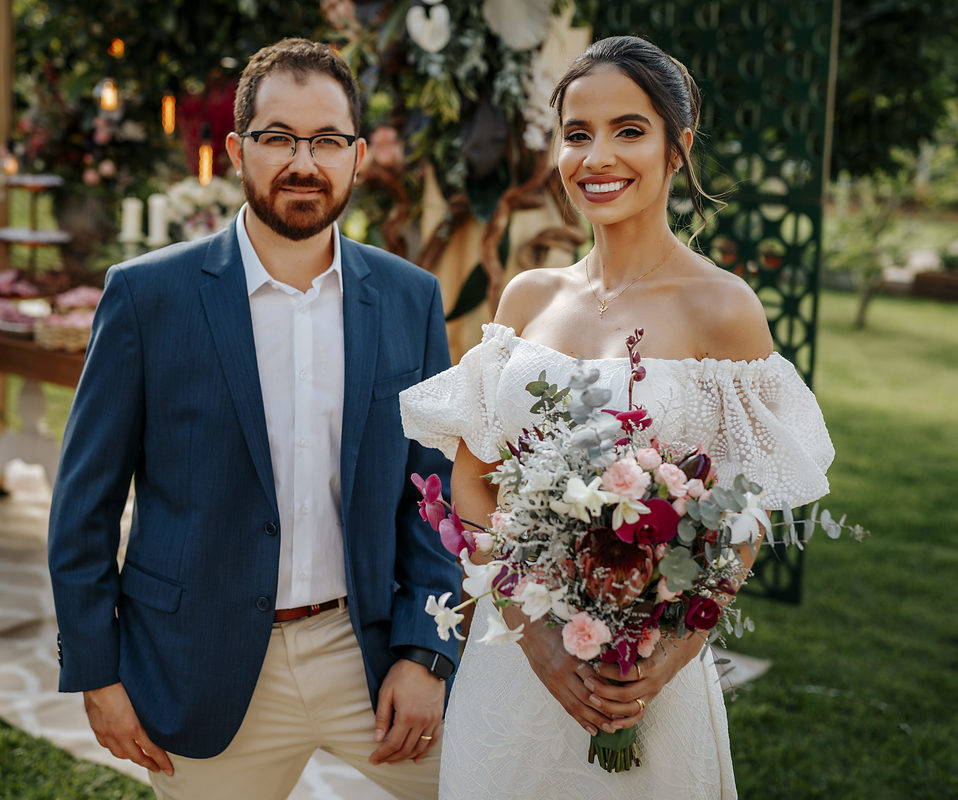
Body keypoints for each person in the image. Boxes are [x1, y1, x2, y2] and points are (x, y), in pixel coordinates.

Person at [399, 35, 834, 798]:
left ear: (678, 148)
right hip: (513, 670)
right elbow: (473, 487)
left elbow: (745, 517)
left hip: (645, 676)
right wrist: (533, 635)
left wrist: (664, 660)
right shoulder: (527, 298)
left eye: (629, 130)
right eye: (576, 135)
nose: (597, 157)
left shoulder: (725, 309)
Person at [47, 37, 460, 800]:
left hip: (365, 649)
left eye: (327, 140)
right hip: (199, 661)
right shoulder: (147, 298)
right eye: (278, 138)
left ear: (358, 154)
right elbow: (84, 505)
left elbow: (433, 502)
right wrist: (94, 670)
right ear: (237, 149)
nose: (304, 162)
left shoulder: (411, 299)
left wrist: (426, 649)